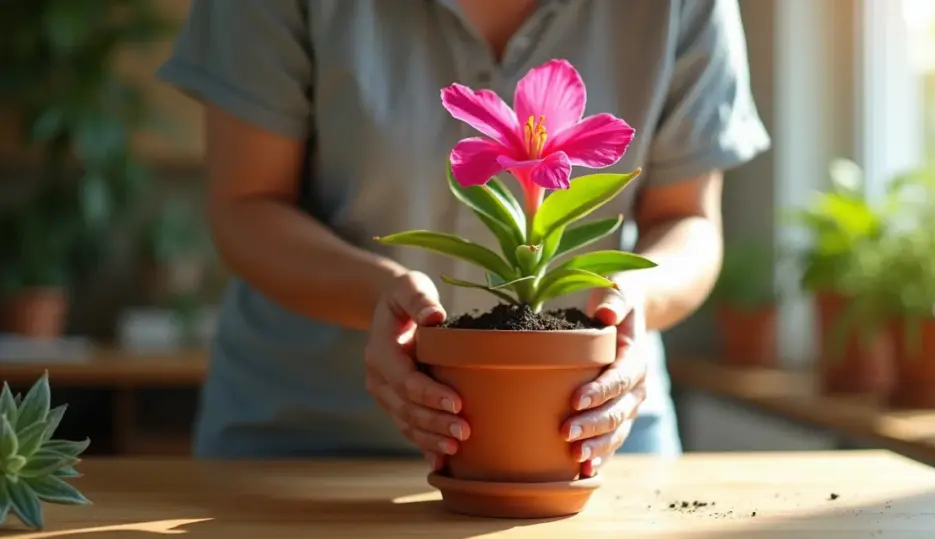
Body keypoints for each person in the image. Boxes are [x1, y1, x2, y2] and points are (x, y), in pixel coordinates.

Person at [156, 0, 769, 473]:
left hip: (589, 442)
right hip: (307, 440)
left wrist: (631, 300)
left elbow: (689, 220)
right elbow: (247, 205)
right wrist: (379, 294)